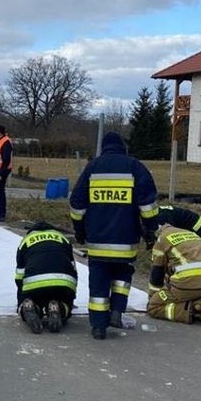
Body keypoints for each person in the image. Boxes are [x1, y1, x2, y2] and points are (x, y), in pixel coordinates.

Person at [69, 131, 160, 340]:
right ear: (122, 147)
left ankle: (98, 327)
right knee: (122, 277)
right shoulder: (135, 167)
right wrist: (150, 231)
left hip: (98, 241)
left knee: (98, 281)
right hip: (126, 240)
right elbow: (147, 205)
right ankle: (117, 311)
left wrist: (79, 230)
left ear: (103, 148)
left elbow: (77, 204)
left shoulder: (93, 168)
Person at [15, 222, 78, 334]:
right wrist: (70, 297)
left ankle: (31, 307)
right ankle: (58, 307)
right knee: (66, 305)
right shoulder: (63, 239)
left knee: (35, 300)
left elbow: (19, 276)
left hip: (34, 282)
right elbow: (73, 268)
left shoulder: (25, 241)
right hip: (63, 280)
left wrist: (21, 300)